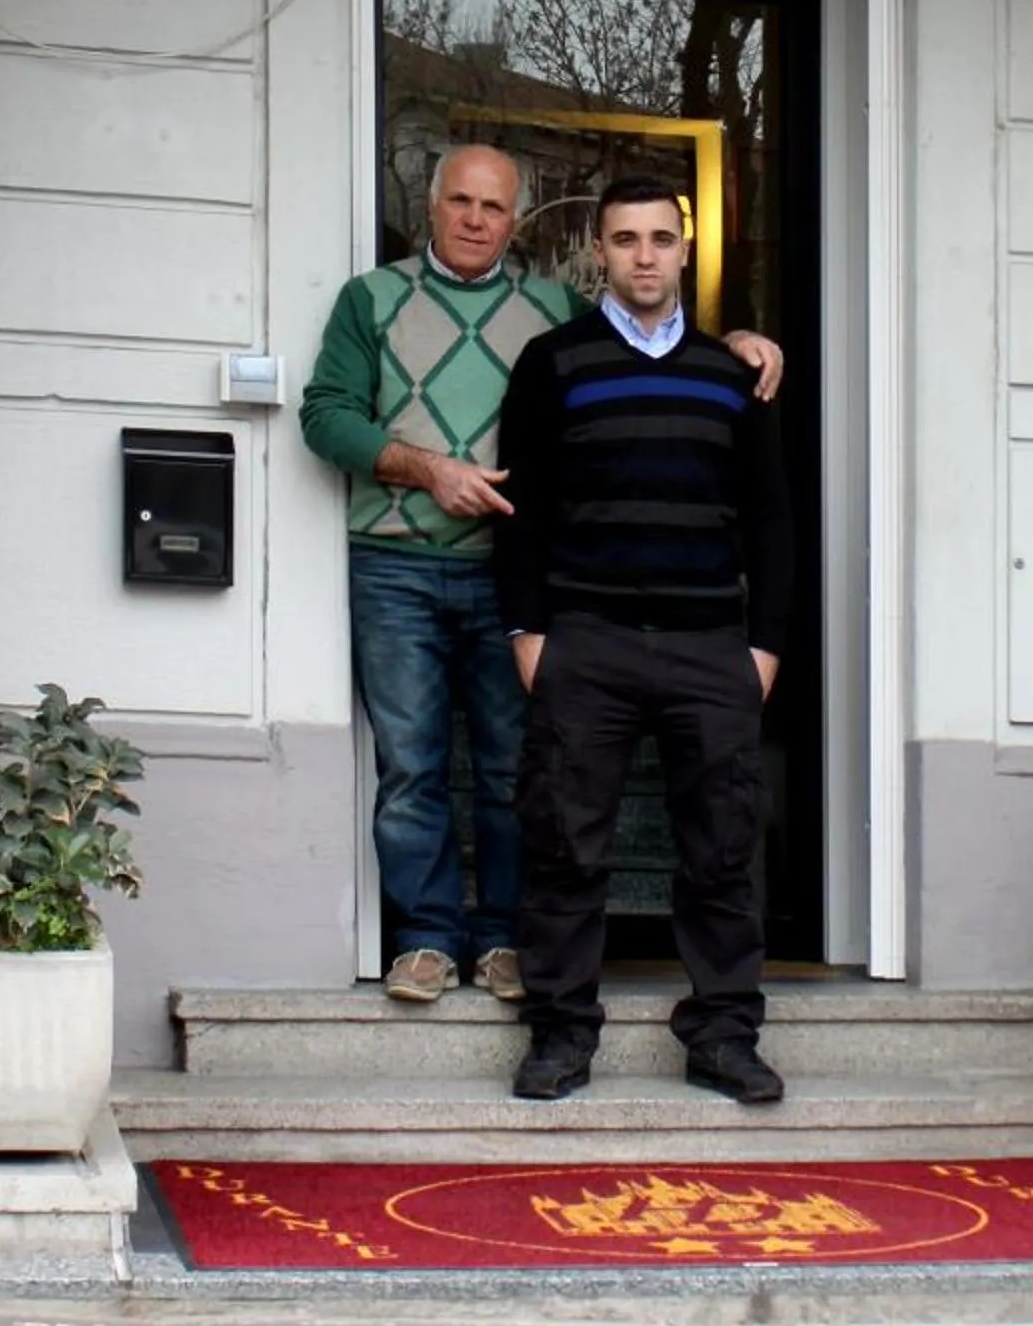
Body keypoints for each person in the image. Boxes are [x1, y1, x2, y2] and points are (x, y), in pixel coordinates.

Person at [300, 144, 780, 1006]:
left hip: (518, 576)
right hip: (399, 563)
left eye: (493, 207)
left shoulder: (551, 307)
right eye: (460, 202)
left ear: (517, 220)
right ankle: (426, 940)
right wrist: (423, 467)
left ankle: (503, 941)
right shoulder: (370, 300)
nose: (476, 220)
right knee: (412, 765)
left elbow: (643, 336)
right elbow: (326, 415)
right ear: (430, 205)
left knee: (514, 768)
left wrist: (736, 342)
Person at [493, 175, 793, 1105]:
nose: (646, 256)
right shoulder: (552, 362)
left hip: (711, 642)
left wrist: (766, 645)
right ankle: (559, 1033)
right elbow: (522, 511)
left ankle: (724, 1033)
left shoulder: (730, 373)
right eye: (626, 240)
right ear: (601, 250)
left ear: (685, 247)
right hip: (588, 638)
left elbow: (773, 519)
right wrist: (528, 631)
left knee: (721, 845)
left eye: (662, 238)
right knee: (566, 843)